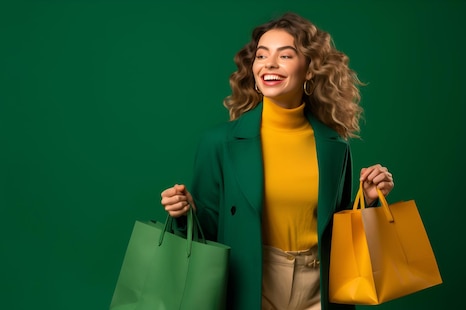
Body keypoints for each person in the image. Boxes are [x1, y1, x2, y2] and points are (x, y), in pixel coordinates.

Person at [160, 12, 394, 310]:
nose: (269, 64)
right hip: (251, 283)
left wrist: (369, 200)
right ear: (254, 69)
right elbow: (206, 234)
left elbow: (340, 234)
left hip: (320, 285)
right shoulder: (219, 143)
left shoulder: (334, 145)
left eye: (285, 55)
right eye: (261, 55)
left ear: (309, 69)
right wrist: (184, 213)